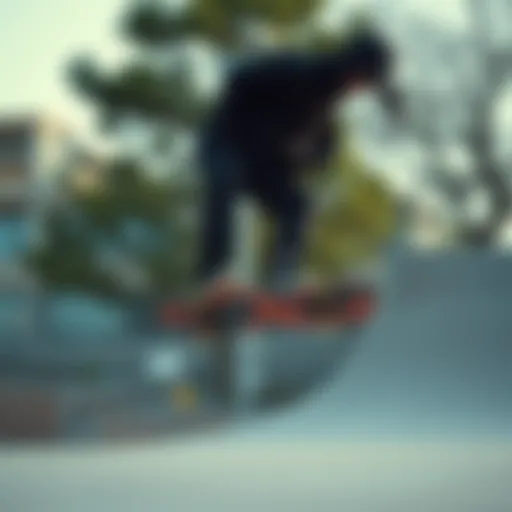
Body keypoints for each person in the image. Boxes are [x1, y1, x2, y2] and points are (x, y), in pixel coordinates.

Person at [197, 29, 402, 296]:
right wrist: (270, 132)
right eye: (363, 81)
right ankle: (214, 273)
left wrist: (309, 155)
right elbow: (238, 80)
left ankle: (284, 275)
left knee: (297, 205)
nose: (360, 90)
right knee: (225, 179)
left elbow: (325, 146)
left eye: (366, 85)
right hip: (227, 143)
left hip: (265, 164)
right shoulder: (298, 70)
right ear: (352, 68)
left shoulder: (331, 100)